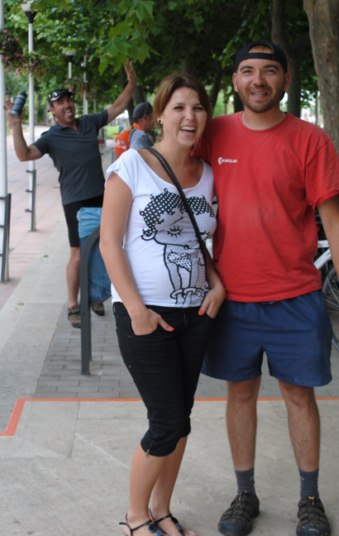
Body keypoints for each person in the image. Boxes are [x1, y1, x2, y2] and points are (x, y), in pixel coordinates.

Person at [196, 40, 339, 536]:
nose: (258, 80)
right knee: (240, 395)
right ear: (235, 81)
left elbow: (334, 223)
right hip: (232, 299)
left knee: (299, 396)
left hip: (295, 297)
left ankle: (309, 498)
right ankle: (244, 493)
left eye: (270, 71)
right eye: (248, 71)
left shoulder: (310, 140)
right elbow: (173, 175)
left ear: (285, 80)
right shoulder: (214, 133)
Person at [100, 73, 224, 536]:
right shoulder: (132, 165)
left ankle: (162, 509)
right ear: (160, 115)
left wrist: (217, 284)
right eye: (179, 108)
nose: (190, 117)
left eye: (198, 107)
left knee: (181, 421)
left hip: (197, 313)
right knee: (166, 419)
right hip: (146, 315)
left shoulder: (207, 174)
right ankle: (136, 517)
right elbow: (109, 243)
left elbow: (200, 242)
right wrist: (136, 309)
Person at [7, 61, 137, 328]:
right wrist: (16, 125)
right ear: (52, 110)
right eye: (60, 103)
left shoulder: (89, 123)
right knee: (77, 253)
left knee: (104, 248)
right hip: (74, 202)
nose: (67, 105)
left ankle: (96, 295)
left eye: (68, 100)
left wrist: (132, 83)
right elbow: (24, 155)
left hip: (101, 196)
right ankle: (72, 304)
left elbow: (117, 107)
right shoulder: (51, 137)